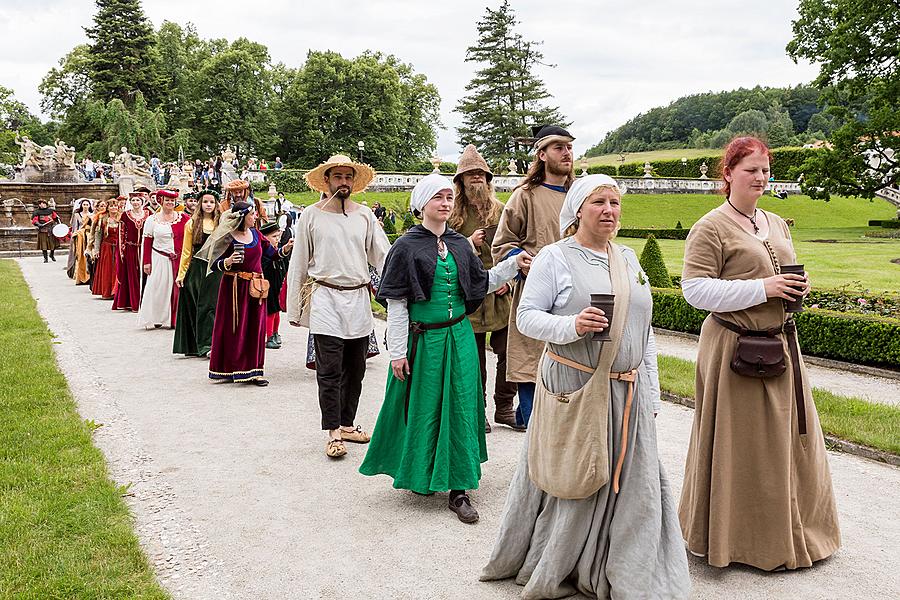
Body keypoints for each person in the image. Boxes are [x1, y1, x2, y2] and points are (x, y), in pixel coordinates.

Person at [481, 174, 691, 597]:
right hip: (574, 385)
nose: (609, 210)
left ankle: (625, 561)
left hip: (627, 391)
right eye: (599, 203)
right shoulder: (554, 258)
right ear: (578, 209)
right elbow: (527, 318)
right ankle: (564, 558)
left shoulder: (629, 257)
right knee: (575, 474)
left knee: (633, 482)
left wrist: (649, 385)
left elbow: (643, 331)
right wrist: (572, 325)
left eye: (615, 202)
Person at [678, 136, 840, 570]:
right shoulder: (710, 226)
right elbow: (694, 290)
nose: (761, 178)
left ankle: (794, 534)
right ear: (728, 173)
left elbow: (782, 270)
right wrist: (763, 288)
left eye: (766, 170)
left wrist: (793, 289)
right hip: (733, 348)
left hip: (782, 344)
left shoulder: (775, 222)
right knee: (741, 445)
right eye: (751, 170)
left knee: (790, 441)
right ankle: (738, 542)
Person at [359, 174, 521, 523]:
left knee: (461, 405)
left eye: (449, 197)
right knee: (426, 407)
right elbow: (398, 304)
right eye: (438, 197)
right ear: (422, 205)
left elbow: (482, 282)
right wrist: (397, 352)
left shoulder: (461, 244)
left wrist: (511, 266)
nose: (446, 203)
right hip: (425, 341)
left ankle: (459, 489)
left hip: (459, 336)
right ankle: (422, 473)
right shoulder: (405, 247)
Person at [286, 154, 390, 458]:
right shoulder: (311, 215)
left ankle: (347, 423)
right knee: (329, 370)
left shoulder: (364, 217)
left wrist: (404, 290)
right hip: (326, 299)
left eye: (348, 177)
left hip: (358, 300)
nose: (343, 182)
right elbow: (299, 263)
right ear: (328, 180)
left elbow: (384, 257)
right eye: (338, 177)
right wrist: (294, 310)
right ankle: (333, 432)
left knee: (356, 369)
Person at [492, 124, 575, 428]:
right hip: (536, 295)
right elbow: (502, 245)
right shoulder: (524, 196)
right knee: (532, 368)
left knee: (571, 370)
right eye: (559, 147)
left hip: (575, 297)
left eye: (569, 147)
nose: (566, 153)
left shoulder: (580, 195)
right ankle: (533, 455)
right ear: (542, 154)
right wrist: (520, 260)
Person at [449, 144, 519, 432]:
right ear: (461, 180)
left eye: (481, 174)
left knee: (510, 352)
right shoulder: (453, 215)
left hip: (501, 295)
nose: (476, 178)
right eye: (470, 174)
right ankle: (478, 412)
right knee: (473, 359)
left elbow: (517, 247)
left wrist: (510, 280)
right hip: (471, 297)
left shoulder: (502, 211)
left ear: (488, 179)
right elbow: (441, 252)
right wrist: (468, 243)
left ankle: (504, 407)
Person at [203, 202, 289, 385]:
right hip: (233, 288)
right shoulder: (227, 237)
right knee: (233, 329)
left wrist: (286, 249)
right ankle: (228, 370)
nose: (256, 216)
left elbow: (273, 254)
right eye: (252, 214)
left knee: (255, 328)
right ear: (243, 217)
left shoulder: (256, 235)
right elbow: (213, 263)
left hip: (256, 289)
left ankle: (254, 371)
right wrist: (228, 261)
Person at [173, 189, 223, 357]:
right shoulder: (192, 223)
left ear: (216, 204)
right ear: (200, 204)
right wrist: (181, 274)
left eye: (211, 202)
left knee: (211, 307)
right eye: (205, 202)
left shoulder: (220, 223)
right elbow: (186, 251)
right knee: (195, 305)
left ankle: (210, 344)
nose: (208, 205)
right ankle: (196, 346)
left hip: (215, 269)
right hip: (196, 269)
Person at [137, 190, 189, 329]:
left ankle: (175, 319)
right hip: (159, 258)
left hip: (178, 259)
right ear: (161, 201)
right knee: (158, 288)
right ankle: (157, 317)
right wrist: (146, 262)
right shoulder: (152, 220)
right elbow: (147, 241)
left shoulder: (183, 218)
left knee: (178, 289)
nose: (170, 203)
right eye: (167, 200)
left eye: (172, 201)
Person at [113, 193, 150, 311]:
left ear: (142, 201)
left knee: (145, 274)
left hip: (145, 248)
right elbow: (121, 233)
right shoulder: (125, 215)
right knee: (132, 275)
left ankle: (145, 301)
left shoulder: (149, 214)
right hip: (130, 249)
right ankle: (133, 302)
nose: (135, 202)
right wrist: (122, 250)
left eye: (138, 200)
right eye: (133, 200)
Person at [260, 221, 293, 349]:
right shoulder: (264, 252)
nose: (277, 240)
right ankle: (269, 336)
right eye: (274, 237)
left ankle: (275, 333)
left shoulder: (276, 250)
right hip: (268, 284)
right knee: (270, 310)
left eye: (278, 236)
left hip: (277, 284)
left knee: (276, 310)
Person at [90, 197, 121, 300]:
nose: (113, 208)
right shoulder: (102, 219)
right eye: (111, 206)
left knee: (117, 269)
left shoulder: (121, 218)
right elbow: (98, 235)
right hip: (106, 247)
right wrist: (96, 249)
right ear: (108, 207)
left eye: (115, 205)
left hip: (118, 247)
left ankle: (116, 292)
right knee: (107, 269)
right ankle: (107, 292)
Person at [67, 199, 93, 279]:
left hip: (88, 236)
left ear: (89, 206)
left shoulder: (92, 214)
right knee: (80, 254)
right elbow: (75, 226)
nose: (85, 206)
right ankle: (78, 273)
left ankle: (89, 274)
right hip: (80, 236)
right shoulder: (77, 215)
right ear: (81, 205)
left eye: (87, 204)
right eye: (84, 204)